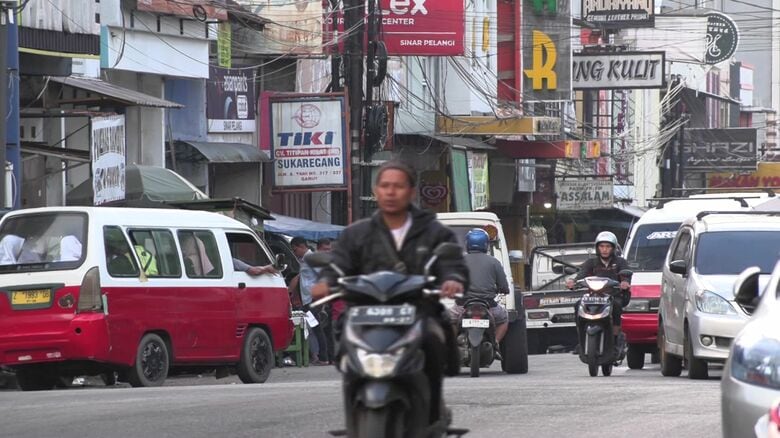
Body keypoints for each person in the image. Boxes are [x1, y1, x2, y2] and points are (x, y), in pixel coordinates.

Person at [311, 160, 468, 423]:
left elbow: (451, 264)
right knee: (344, 340)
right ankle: (354, 411)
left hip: (417, 310)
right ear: (376, 191)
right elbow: (337, 265)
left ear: (412, 192)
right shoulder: (356, 234)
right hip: (364, 312)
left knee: (435, 337)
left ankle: (433, 410)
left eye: (398, 186)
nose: (391, 192)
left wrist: (452, 279)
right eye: (385, 186)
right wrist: (325, 282)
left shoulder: (433, 232)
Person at [448, 228, 510, 357]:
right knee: (504, 319)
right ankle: (496, 343)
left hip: (462, 305)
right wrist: (504, 290)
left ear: (467, 244)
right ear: (486, 244)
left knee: (450, 319)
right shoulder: (494, 262)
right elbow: (503, 285)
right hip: (489, 305)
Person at [566, 231, 632, 346]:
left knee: (616, 306)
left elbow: (625, 276)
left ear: (613, 248)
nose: (605, 249)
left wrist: (625, 282)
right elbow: (582, 274)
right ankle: (581, 339)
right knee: (578, 305)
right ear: (597, 248)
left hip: (613, 295)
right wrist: (573, 282)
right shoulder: (591, 262)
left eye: (608, 246)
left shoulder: (620, 262)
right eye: (602, 246)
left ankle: (615, 339)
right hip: (593, 296)